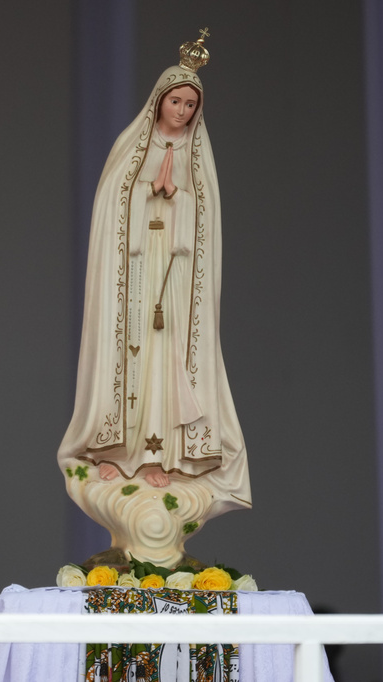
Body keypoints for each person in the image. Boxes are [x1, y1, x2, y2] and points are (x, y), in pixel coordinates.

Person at [57, 34, 251, 519]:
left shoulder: (197, 153)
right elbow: (111, 205)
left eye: (190, 104)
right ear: (159, 100)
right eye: (176, 100)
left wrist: (178, 197)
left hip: (179, 276)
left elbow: (206, 217)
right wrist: (149, 191)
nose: (182, 110)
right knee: (128, 356)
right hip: (136, 271)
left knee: (168, 360)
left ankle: (160, 456)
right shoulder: (133, 144)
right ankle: (116, 452)